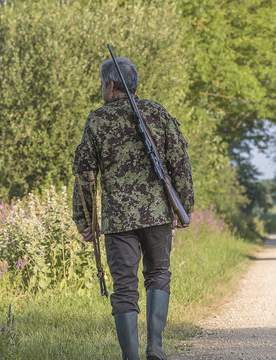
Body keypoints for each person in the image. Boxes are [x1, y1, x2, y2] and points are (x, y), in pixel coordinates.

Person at [72, 57, 194, 360]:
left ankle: (132, 357)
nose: (101, 88)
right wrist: (183, 205)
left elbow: (85, 175)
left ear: (111, 85)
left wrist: (84, 219)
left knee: (124, 288)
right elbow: (180, 162)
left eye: (102, 83)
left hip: (118, 221)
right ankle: (155, 348)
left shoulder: (97, 120)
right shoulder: (156, 112)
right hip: (157, 215)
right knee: (158, 274)